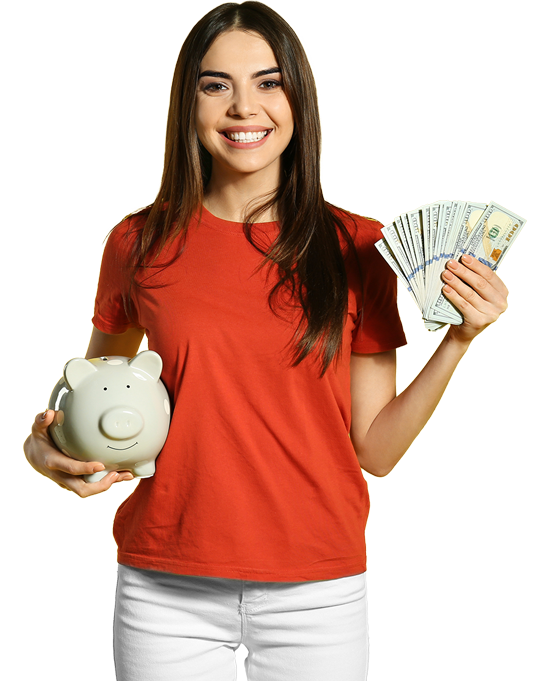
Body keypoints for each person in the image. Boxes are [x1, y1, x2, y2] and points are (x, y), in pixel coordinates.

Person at [23, 2, 509, 680]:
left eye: (268, 82)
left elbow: (378, 450)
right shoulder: (138, 242)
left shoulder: (361, 248)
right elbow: (81, 395)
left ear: (298, 100)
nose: (242, 106)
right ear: (187, 103)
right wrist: (42, 447)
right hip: (165, 586)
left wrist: (458, 339)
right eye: (215, 84)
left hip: (317, 592)